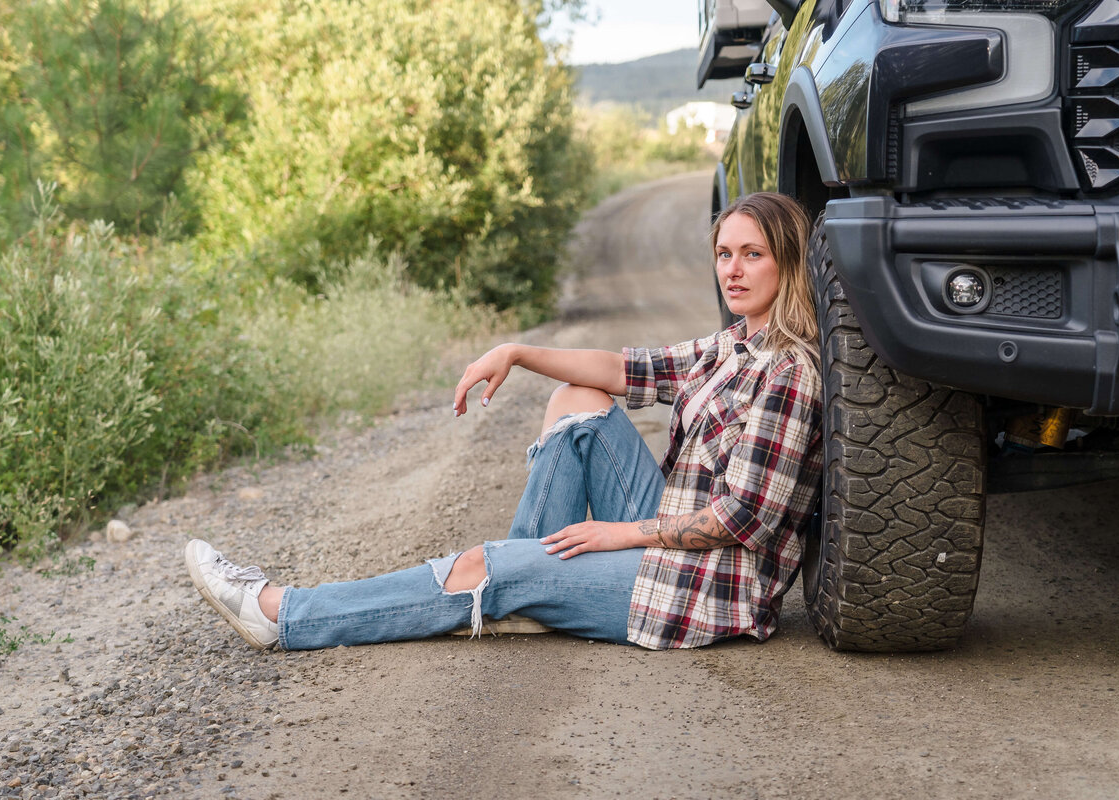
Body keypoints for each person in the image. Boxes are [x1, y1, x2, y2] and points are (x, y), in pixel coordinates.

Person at [185, 191, 823, 652]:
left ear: (787, 263)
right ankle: (524, 583)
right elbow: (627, 367)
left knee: (478, 566)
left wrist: (617, 535)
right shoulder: (735, 343)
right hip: (672, 540)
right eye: (723, 254)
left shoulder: (790, 372)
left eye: (752, 255)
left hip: (707, 587)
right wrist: (516, 351)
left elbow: (742, 519)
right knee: (578, 399)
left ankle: (283, 613)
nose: (732, 270)